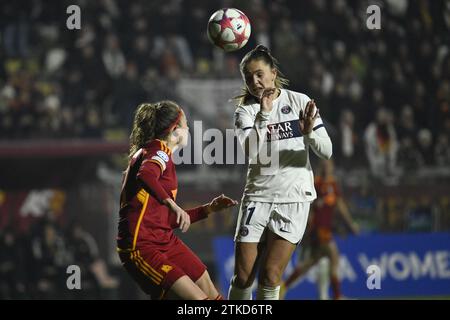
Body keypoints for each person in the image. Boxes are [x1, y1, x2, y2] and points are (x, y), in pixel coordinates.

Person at [228, 45, 332, 300]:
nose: (255, 81)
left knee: (271, 275)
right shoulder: (245, 111)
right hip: (258, 196)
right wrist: (264, 113)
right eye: (249, 77)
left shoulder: (300, 101)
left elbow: (327, 150)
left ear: (273, 73)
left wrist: (308, 133)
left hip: (293, 198)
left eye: (260, 74)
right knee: (243, 277)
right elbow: (251, 151)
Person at [117, 101, 238, 300]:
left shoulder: (159, 154)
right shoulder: (158, 152)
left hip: (164, 240)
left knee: (206, 285)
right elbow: (145, 175)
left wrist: (208, 209)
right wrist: (171, 203)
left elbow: (167, 219)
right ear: (175, 130)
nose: (189, 129)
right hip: (142, 247)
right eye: (185, 125)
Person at [280, 159, 359, 300]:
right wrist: (306, 225)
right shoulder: (315, 183)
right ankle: (337, 296)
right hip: (318, 229)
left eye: (329, 165)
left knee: (311, 261)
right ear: (320, 167)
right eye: (324, 166)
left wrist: (350, 223)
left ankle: (284, 286)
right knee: (333, 256)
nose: (327, 168)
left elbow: (340, 206)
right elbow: (308, 205)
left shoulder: (333, 185)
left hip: (327, 228)